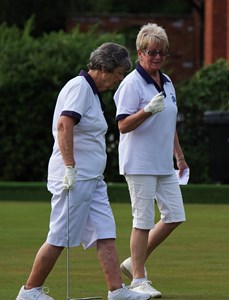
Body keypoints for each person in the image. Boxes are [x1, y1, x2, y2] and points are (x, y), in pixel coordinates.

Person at [16, 42, 151, 300]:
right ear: (104, 67)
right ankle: (30, 291)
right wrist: (69, 168)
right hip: (73, 178)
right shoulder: (79, 87)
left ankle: (117, 291)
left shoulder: (92, 92)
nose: (120, 79)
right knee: (59, 236)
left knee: (105, 233)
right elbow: (65, 125)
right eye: (119, 73)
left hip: (92, 179)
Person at [113, 23, 188, 298]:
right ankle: (139, 280)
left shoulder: (167, 82)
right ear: (140, 52)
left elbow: (170, 123)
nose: (158, 57)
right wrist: (146, 110)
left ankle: (134, 262)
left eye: (163, 53)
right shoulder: (131, 84)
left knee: (175, 215)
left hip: (162, 163)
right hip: (139, 162)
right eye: (153, 52)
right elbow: (122, 125)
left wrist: (178, 156)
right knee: (142, 220)